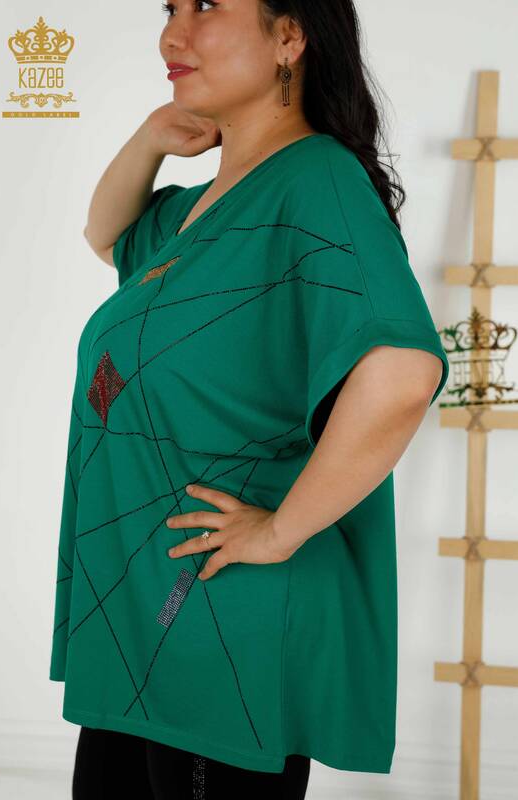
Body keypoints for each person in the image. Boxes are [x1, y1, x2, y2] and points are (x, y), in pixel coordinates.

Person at [49, 0, 450, 797]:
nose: (173, 33)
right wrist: (151, 139)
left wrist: (279, 530)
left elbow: (403, 371)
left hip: (221, 624)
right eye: (169, 8)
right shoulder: (202, 209)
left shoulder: (316, 181)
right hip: (140, 616)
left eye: (206, 5)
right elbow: (108, 236)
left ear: (289, 36)